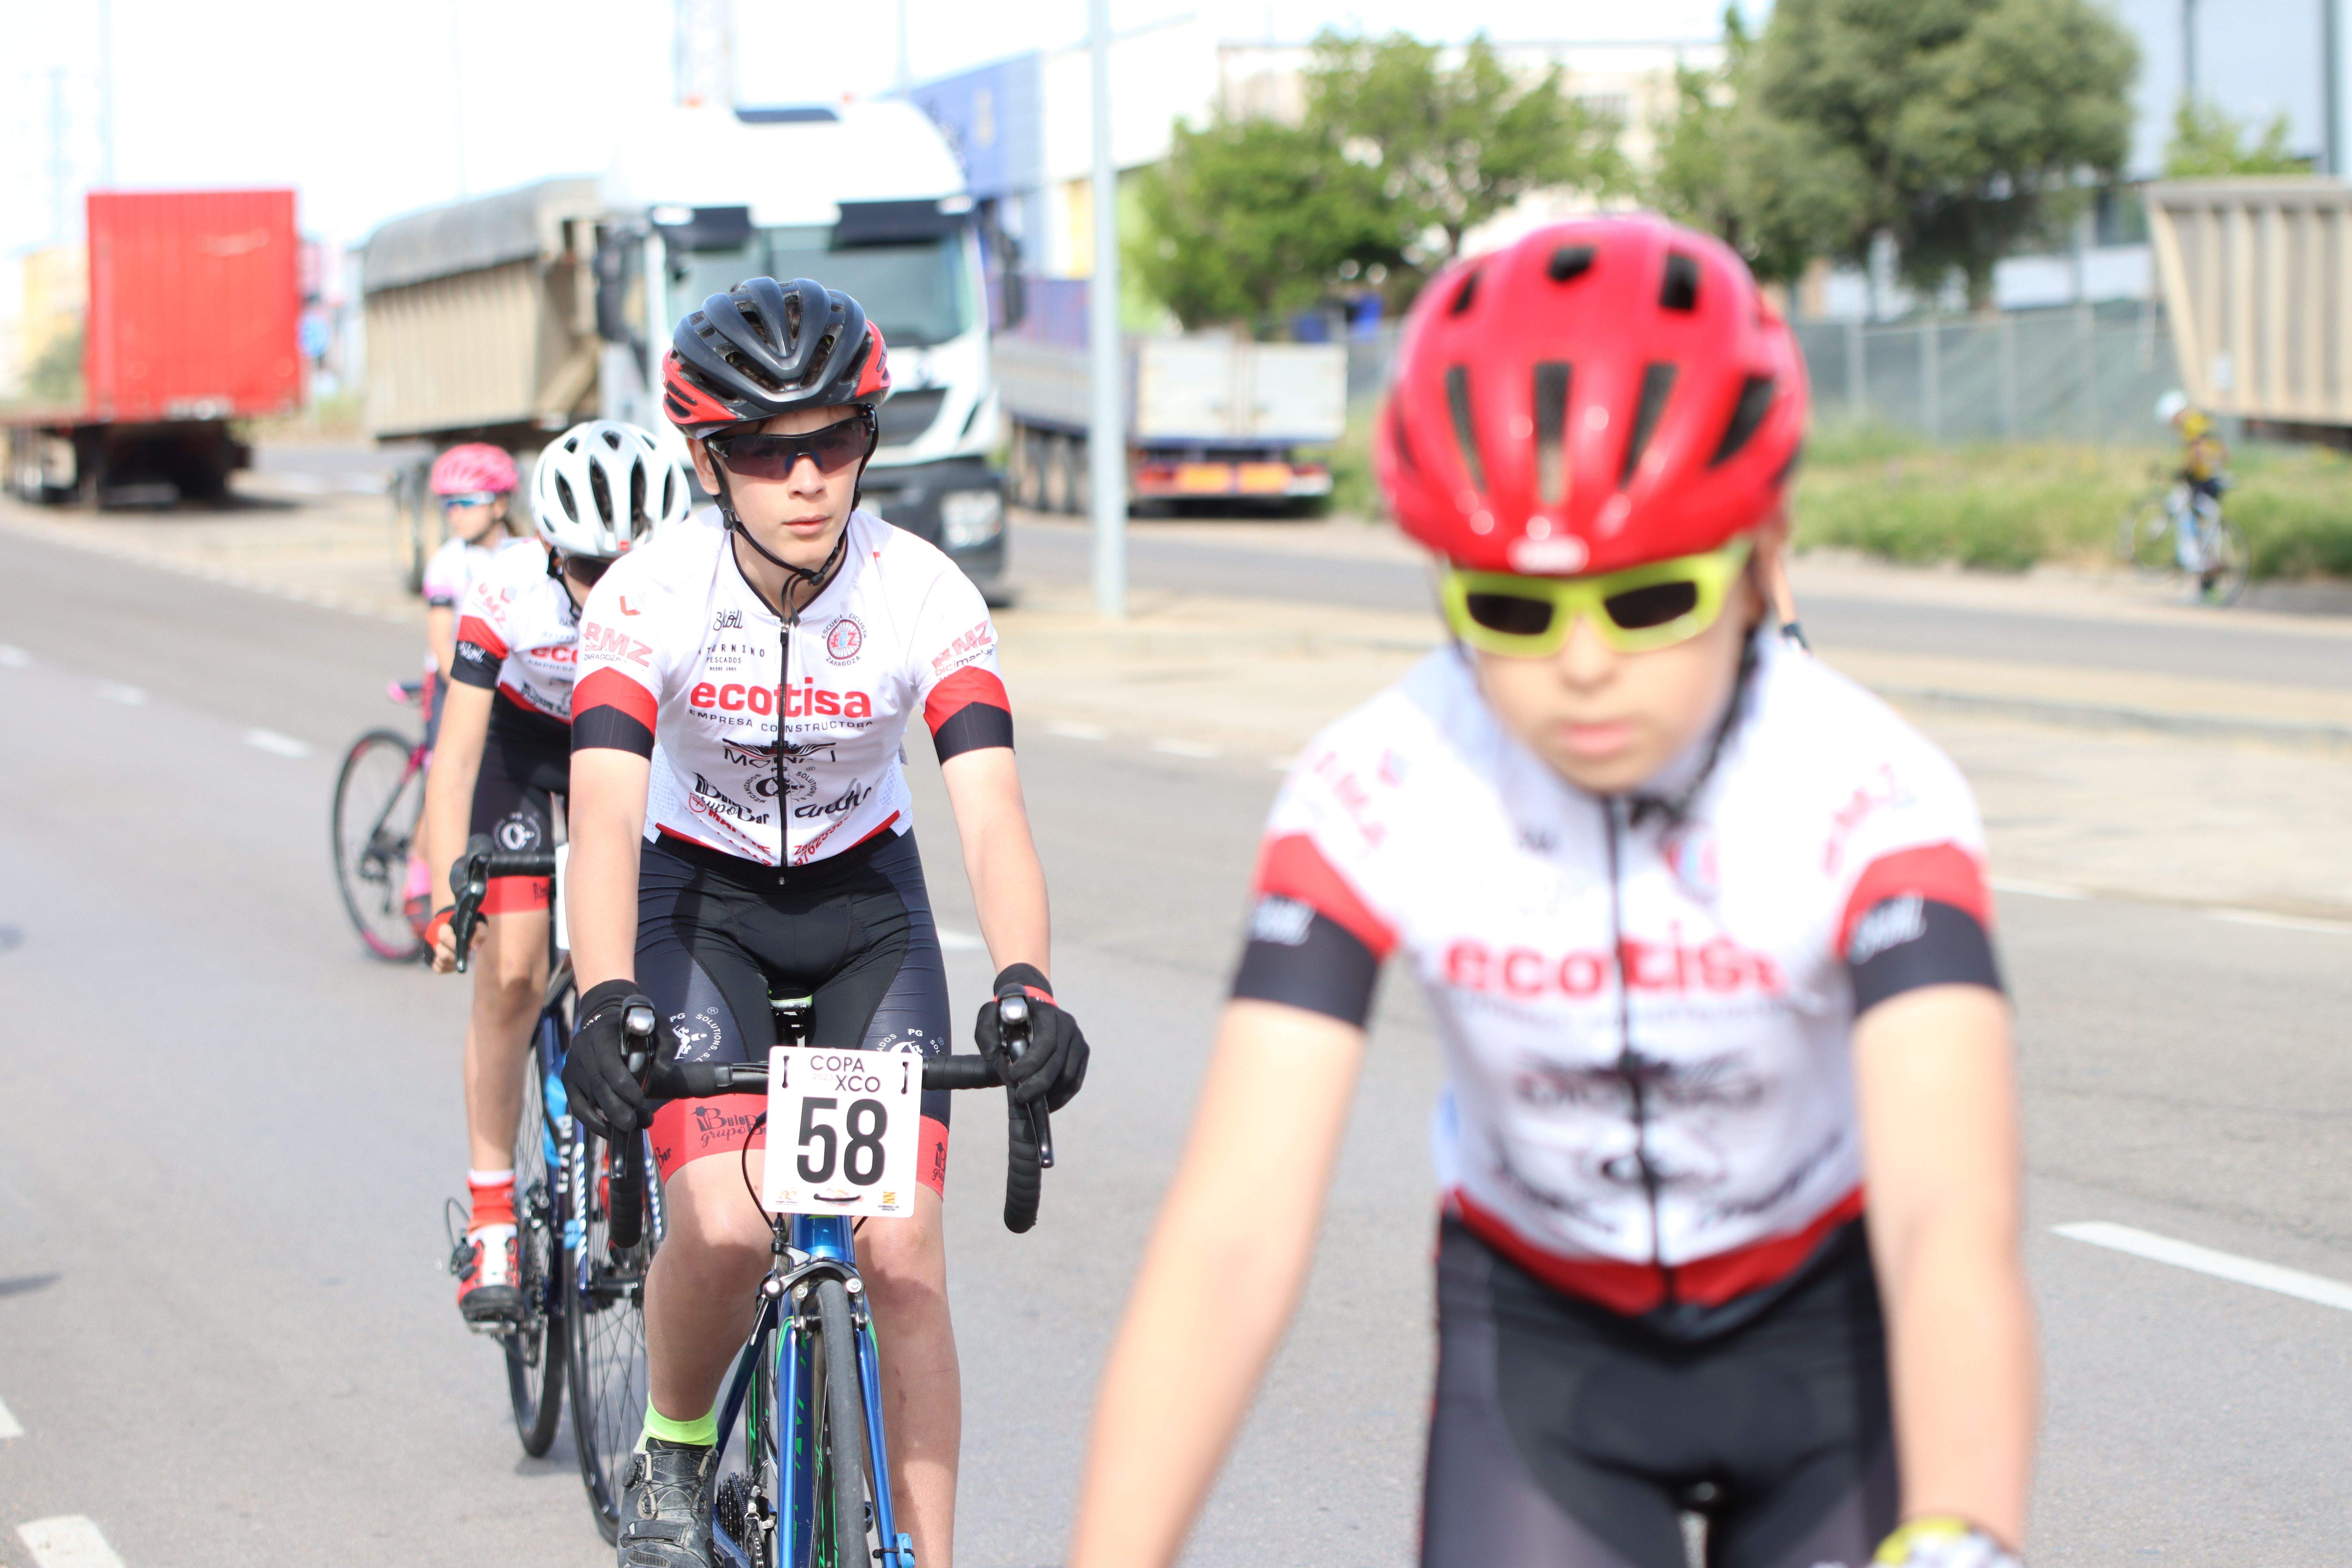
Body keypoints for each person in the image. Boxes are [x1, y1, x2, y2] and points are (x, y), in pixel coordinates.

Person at [1067, 218, 2034, 1568]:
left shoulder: (1874, 791)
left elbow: (1951, 1221)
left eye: (1648, 601)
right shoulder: (1374, 784)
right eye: (1514, 609)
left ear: (1763, 553)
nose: (1582, 666)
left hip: (1830, 1339)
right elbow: (1232, 1230)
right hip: (1545, 1346)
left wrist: (1963, 1537)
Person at [558, 277, 1091, 1568]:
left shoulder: (924, 590)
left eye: (834, 442)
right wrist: (603, 993)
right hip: (705, 905)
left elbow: (990, 810)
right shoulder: (644, 595)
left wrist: (1027, 978)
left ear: (868, 441)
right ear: (710, 460)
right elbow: (604, 813)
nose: (804, 478)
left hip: (866, 910)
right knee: (732, 1226)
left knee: (901, 1249)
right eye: (763, 450)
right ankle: (678, 1452)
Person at [423, 421, 692, 1324]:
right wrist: (439, 891)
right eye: (585, 569)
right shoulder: (502, 593)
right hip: (525, 747)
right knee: (513, 968)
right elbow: (454, 759)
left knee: (649, 957)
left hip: (624, 747)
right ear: (546, 547)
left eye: (629, 571)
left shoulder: (690, 591)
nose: (606, 592)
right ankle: (494, 1211)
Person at [406, 443, 526, 932]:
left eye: (466, 502)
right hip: (457, 682)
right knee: (449, 776)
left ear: (499, 504)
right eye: (448, 505)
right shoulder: (447, 563)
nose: (454, 515)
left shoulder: (524, 556)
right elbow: (441, 637)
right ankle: (419, 874)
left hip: (509, 686)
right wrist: (467, 687)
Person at [2155, 390, 2229, 586]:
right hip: (2214, 475)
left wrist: (2186, 471)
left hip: (2204, 478)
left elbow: (2197, 449)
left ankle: (2203, 567)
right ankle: (2206, 583)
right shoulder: (2202, 419)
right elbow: (2222, 449)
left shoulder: (2191, 422)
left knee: (2191, 524)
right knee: (2205, 526)